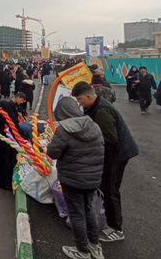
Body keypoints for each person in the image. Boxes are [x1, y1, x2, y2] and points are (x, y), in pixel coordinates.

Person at [71, 81, 139, 243]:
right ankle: (109, 220)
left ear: (88, 96)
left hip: (117, 155)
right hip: (114, 153)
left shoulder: (102, 111)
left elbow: (110, 140)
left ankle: (116, 228)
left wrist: (93, 154)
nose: (80, 104)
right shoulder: (95, 105)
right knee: (106, 188)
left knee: (110, 190)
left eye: (80, 100)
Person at [48, 97, 105, 259]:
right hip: (93, 178)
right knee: (88, 209)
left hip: (72, 179)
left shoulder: (64, 130)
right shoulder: (93, 125)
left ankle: (82, 250)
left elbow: (52, 153)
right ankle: (95, 246)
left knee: (76, 213)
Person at [0, 93, 26, 189]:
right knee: (4, 161)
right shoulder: (6, 116)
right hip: (5, 143)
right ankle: (4, 181)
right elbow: (13, 127)